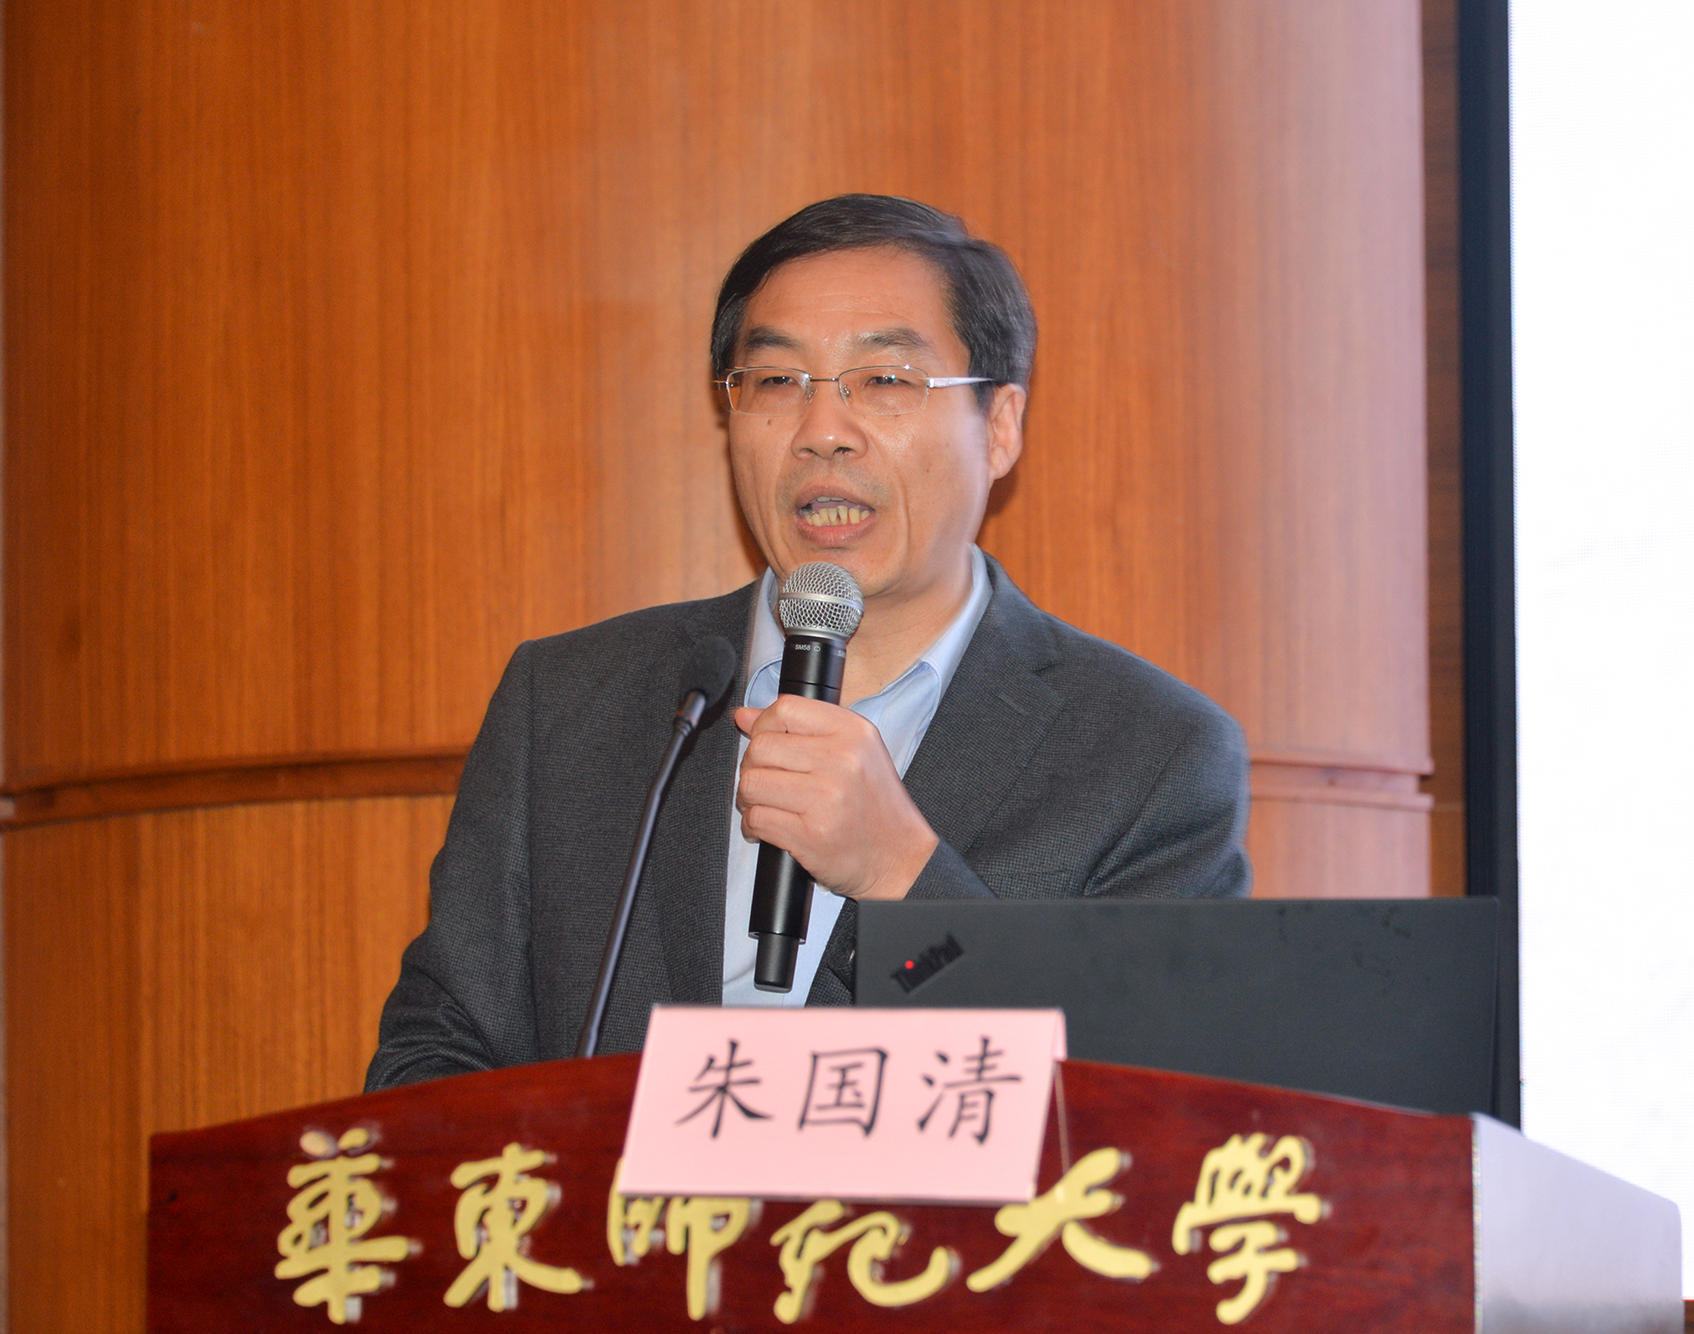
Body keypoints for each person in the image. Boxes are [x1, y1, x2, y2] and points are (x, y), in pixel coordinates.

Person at [366, 195, 1250, 1090]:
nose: (822, 432)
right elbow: (432, 1057)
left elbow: (1144, 1111)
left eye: (887, 380)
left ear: (999, 426)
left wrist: (902, 876)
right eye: (776, 382)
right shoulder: (566, 703)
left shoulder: (1149, 756)